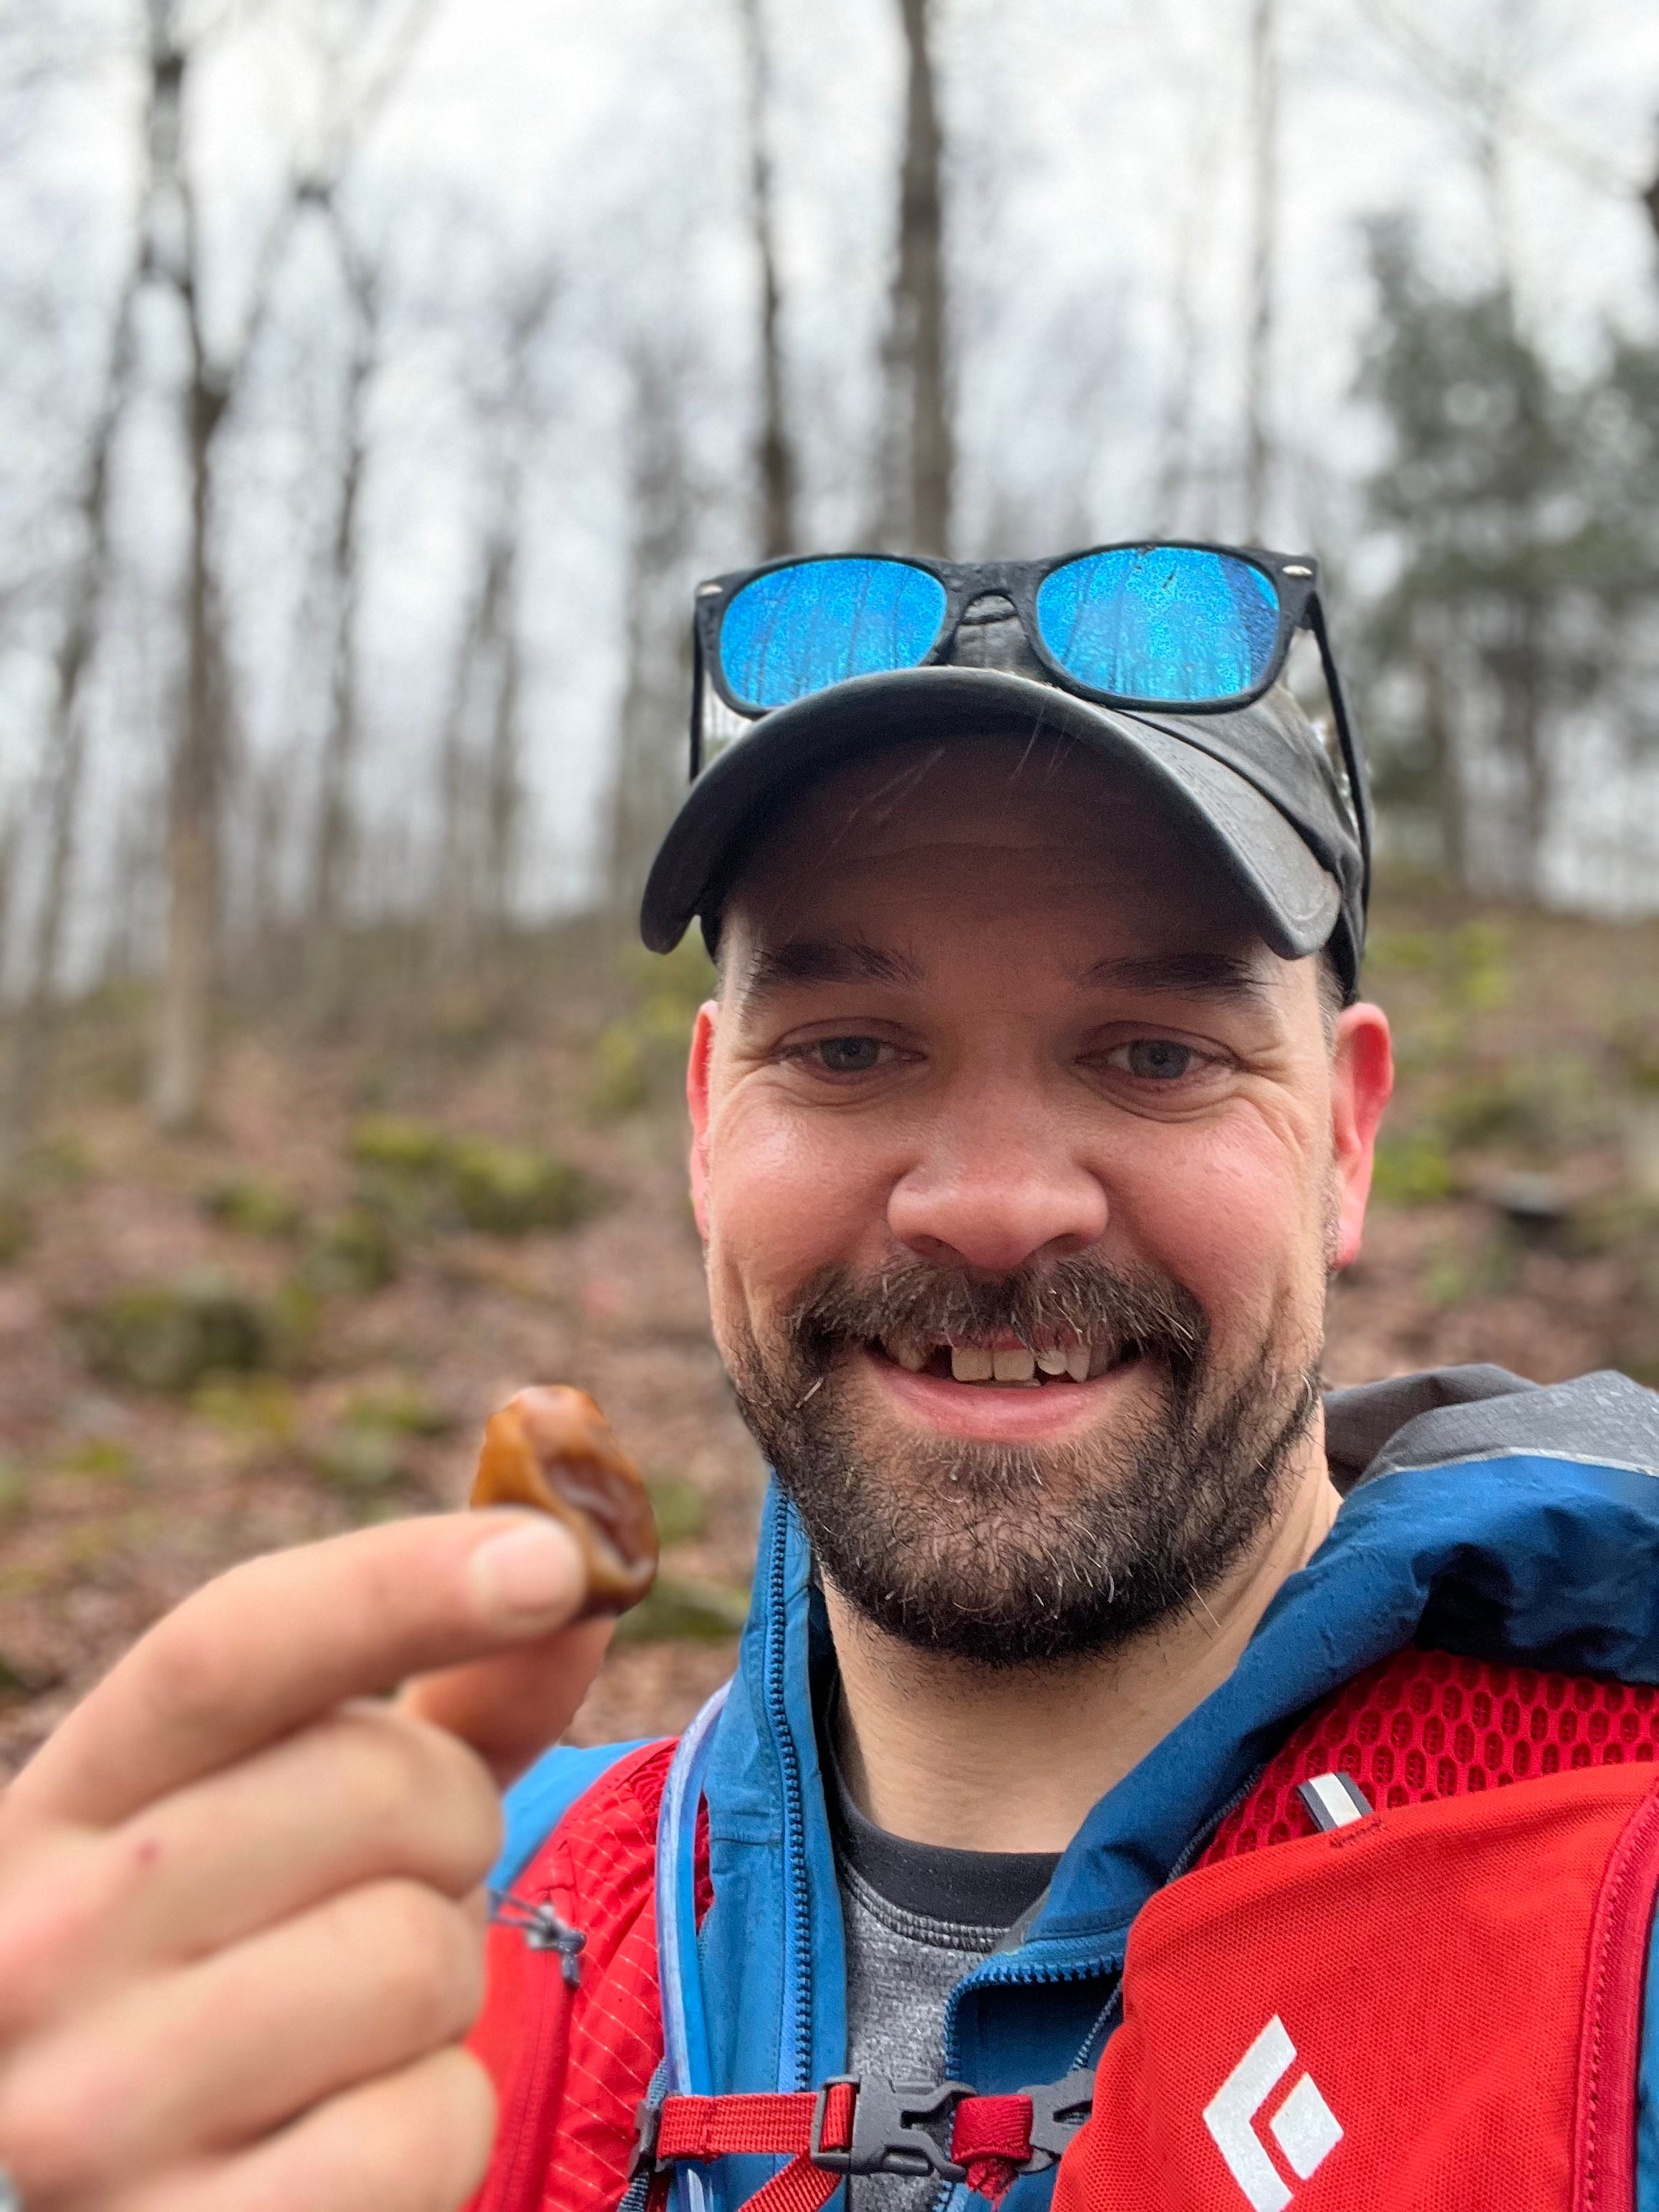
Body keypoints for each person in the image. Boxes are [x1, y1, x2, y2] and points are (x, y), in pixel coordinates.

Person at [1, 544, 1655, 2212]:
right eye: (850, 1050)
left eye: (1158, 1054)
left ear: (1348, 1140)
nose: (995, 1203)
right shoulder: (427, 1941)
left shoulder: (1626, 1913)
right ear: (711, 1120)